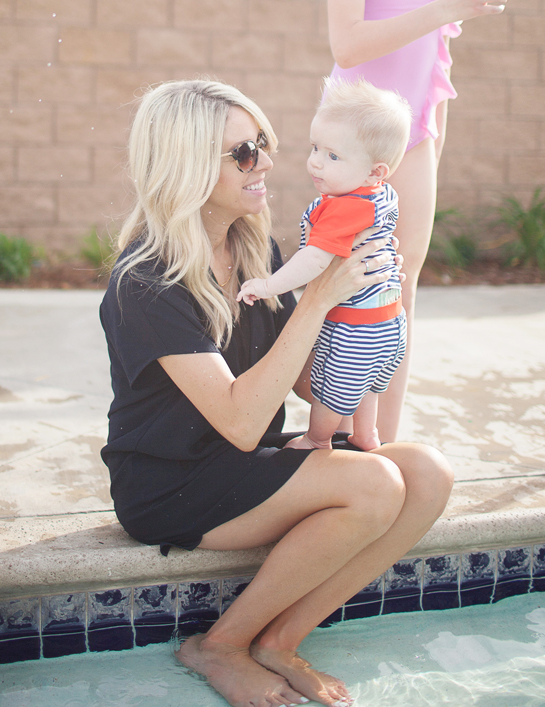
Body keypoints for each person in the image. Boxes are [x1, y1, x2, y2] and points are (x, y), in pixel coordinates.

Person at [100, 78, 453, 707]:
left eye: (261, 143)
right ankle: (218, 646)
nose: (264, 160)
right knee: (372, 485)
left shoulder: (250, 245)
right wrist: (318, 299)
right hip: (173, 482)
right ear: (185, 164)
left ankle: (281, 640)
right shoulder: (146, 282)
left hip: (244, 459)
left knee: (425, 473)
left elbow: (294, 373)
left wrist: (369, 321)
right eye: (241, 153)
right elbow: (239, 421)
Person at [327, 0, 507, 443]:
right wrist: (445, 9)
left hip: (414, 139)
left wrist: (430, 149)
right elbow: (347, 46)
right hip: (352, 133)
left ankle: (380, 445)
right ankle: (334, 438)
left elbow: (434, 66)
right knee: (348, 284)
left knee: (399, 291)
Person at [237, 78, 411, 452]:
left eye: (333, 156)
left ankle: (317, 439)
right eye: (316, 148)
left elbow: (314, 260)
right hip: (390, 324)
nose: (315, 161)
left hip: (357, 328)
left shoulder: (344, 208)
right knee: (366, 384)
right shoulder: (380, 194)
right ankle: (366, 435)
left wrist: (268, 286)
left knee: (336, 387)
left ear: (374, 172)